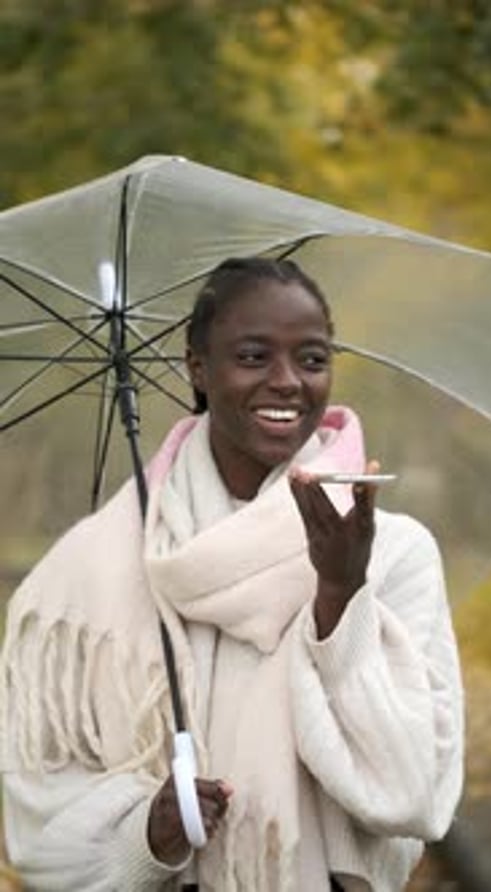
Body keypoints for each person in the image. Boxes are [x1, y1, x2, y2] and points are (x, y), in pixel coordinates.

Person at [0, 256, 463, 892]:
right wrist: (146, 833)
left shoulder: (391, 552)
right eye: (252, 357)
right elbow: (33, 814)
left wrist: (339, 596)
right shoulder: (88, 569)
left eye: (311, 358)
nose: (287, 382)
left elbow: (415, 795)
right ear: (198, 366)